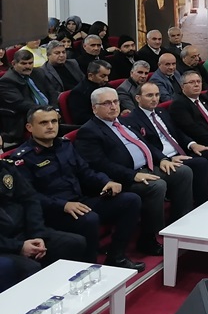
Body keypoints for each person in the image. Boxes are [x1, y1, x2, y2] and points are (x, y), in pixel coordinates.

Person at [11, 106, 144, 271]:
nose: (50, 126)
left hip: (80, 202)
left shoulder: (65, 145)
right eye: (44, 123)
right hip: (53, 212)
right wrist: (63, 205)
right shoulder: (23, 159)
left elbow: (85, 171)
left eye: (54, 121)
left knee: (131, 200)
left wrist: (106, 181)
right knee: (89, 219)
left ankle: (116, 257)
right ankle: (89, 269)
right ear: (30, 127)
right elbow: (30, 197)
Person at [75, 87, 193, 257]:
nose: (113, 106)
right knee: (156, 186)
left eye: (115, 102)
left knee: (183, 172)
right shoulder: (89, 131)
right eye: (107, 103)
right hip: (122, 178)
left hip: (147, 167)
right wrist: (133, 175)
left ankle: (179, 224)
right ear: (94, 108)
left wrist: (163, 159)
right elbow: (100, 164)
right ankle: (148, 239)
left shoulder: (123, 121)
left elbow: (145, 144)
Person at [127, 82, 208, 202]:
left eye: (157, 95)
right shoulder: (132, 120)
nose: (155, 99)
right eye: (150, 95)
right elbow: (145, 146)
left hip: (182, 151)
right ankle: (202, 203)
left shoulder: (161, 112)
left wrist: (192, 144)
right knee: (200, 163)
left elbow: (177, 132)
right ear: (138, 98)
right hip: (164, 160)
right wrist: (166, 159)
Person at [0, 135, 86, 284]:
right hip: (5, 245)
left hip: (24, 233)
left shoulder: (6, 168)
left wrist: (36, 234)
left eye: (0, 148)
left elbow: (30, 199)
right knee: (30, 268)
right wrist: (19, 247)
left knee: (74, 243)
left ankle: (66, 290)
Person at [0, 49, 57, 149]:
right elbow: (20, 104)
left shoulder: (38, 72)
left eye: (30, 63)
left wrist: (55, 109)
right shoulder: (6, 81)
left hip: (49, 111)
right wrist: (47, 111)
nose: (28, 66)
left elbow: (51, 91)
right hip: (26, 117)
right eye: (23, 63)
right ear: (14, 63)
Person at [68, 59, 111, 126]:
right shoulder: (78, 93)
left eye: (108, 76)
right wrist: (104, 118)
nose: (106, 79)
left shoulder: (106, 85)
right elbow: (81, 118)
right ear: (91, 75)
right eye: (103, 76)